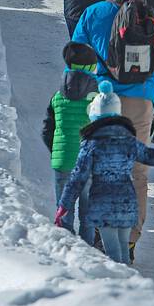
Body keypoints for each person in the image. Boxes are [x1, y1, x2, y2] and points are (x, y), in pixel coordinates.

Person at [71, 0, 154, 262]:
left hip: (103, 101)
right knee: (136, 173)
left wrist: (77, 98)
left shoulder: (93, 14)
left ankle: (97, 233)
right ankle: (129, 239)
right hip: (141, 102)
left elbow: (76, 59)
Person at [56, 80, 154, 264]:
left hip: (104, 209)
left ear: (94, 116)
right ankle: (127, 279)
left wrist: (63, 206)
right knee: (122, 248)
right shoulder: (128, 141)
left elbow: (76, 179)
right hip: (128, 206)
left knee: (112, 252)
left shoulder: (90, 145)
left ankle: (123, 285)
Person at [41, 42, 100, 244]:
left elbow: (46, 130)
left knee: (63, 211)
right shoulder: (99, 98)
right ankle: (88, 253)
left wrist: (57, 151)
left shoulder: (57, 97)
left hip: (63, 161)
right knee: (88, 215)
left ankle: (66, 251)